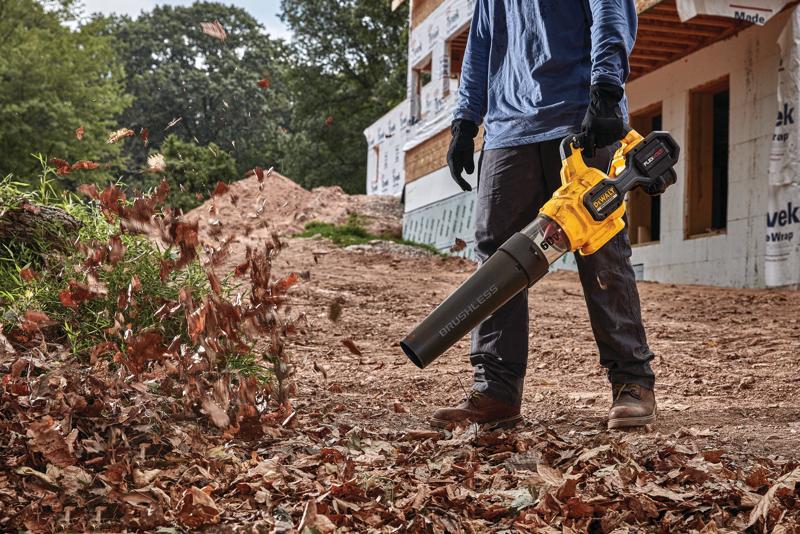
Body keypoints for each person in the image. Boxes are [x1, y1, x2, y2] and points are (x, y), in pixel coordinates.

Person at [433, 0, 656, 430]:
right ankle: (496, 389)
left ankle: (632, 381)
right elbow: (481, 46)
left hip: (580, 117)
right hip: (507, 130)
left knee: (602, 250)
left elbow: (611, 11)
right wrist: (465, 120)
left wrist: (606, 88)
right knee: (496, 258)